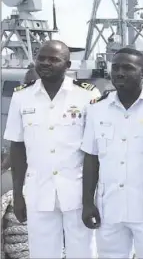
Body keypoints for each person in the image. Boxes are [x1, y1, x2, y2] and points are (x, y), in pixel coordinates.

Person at [3, 40, 100, 258]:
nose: (46, 63)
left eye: (54, 59)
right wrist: (18, 195)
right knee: (42, 253)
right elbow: (17, 148)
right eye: (42, 58)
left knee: (83, 251)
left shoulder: (87, 95)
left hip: (78, 191)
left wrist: (89, 200)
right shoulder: (21, 97)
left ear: (67, 65)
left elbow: (95, 150)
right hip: (39, 191)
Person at [80, 48, 143, 258]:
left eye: (128, 68)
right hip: (110, 207)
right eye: (115, 68)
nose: (120, 73)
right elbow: (91, 158)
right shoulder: (97, 109)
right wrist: (87, 202)